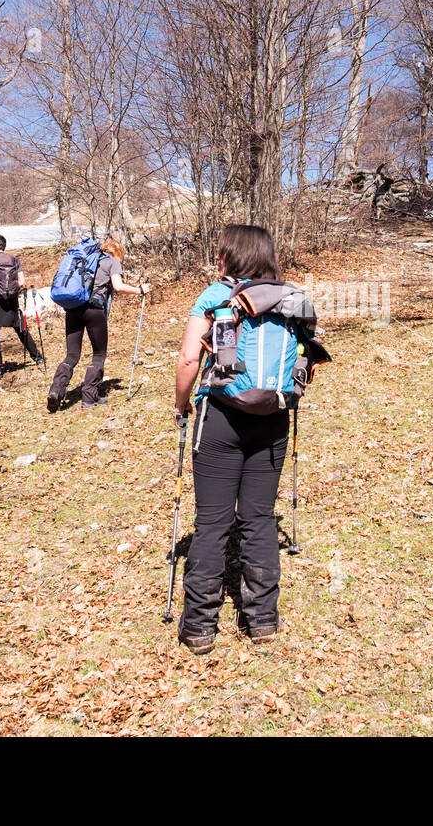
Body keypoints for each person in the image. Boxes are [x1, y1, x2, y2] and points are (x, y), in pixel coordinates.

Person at [172, 225, 290, 654]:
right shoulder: (287, 299)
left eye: (221, 254)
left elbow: (189, 358)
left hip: (219, 415)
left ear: (230, 258)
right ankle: (262, 620)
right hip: (274, 417)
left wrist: (181, 404)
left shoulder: (212, 297)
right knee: (258, 519)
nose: (217, 259)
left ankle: (199, 627)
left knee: (213, 521)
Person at [46, 237, 148, 410]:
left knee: (72, 355)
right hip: (94, 311)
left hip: (73, 309)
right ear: (116, 252)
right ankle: (89, 397)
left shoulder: (83, 260)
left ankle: (56, 390)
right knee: (99, 354)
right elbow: (118, 286)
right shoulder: (112, 262)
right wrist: (139, 290)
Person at [0, 235, 43, 381]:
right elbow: (22, 282)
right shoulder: (14, 260)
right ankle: (38, 358)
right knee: (21, 328)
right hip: (11, 301)